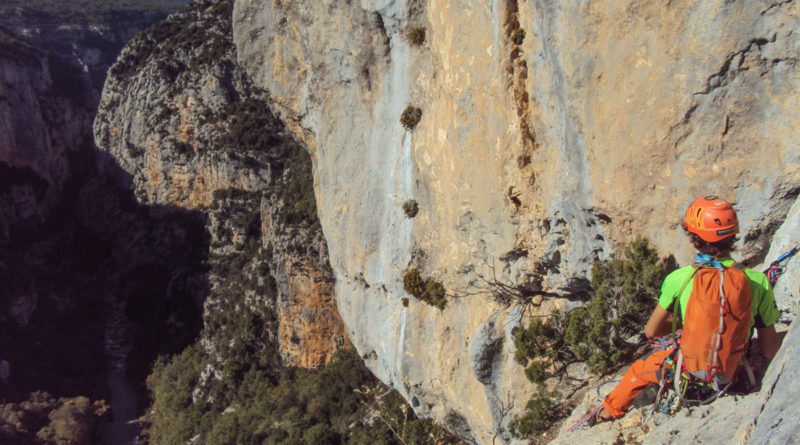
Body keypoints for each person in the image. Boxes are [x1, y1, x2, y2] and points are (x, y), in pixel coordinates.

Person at [591, 195, 782, 423]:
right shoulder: (757, 281)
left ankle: (605, 414)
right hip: (736, 371)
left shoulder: (680, 279)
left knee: (640, 369)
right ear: (733, 234)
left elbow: (652, 331)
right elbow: (770, 349)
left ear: (693, 237)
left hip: (688, 373)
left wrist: (689, 322)